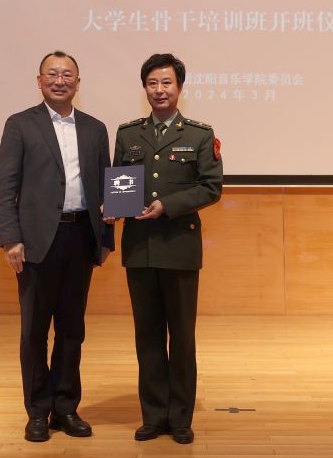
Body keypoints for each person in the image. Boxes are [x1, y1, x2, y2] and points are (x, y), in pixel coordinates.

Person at [0, 50, 114, 443]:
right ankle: (37, 411)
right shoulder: (20, 125)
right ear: (39, 80)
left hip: (80, 238)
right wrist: (11, 238)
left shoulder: (95, 129)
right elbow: (5, 186)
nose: (60, 80)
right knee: (34, 332)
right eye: (52, 74)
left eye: (67, 75)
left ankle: (65, 407)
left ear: (78, 83)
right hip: (35, 243)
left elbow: (107, 187)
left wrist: (106, 238)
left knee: (72, 330)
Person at [111, 53, 223, 444]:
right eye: (152, 83)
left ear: (179, 87)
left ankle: (180, 418)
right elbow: (121, 183)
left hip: (179, 249)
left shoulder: (199, 134)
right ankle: (154, 416)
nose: (159, 90)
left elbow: (211, 188)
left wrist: (167, 206)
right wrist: (115, 207)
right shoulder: (128, 134)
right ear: (144, 88)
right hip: (139, 249)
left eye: (167, 83)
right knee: (147, 337)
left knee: (182, 337)